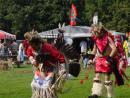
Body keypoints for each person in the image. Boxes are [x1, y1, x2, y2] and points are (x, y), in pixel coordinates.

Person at [87, 24, 118, 98]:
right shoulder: (96, 39)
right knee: (97, 77)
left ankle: (110, 96)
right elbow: (94, 50)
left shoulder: (108, 38)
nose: (94, 34)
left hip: (107, 60)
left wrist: (109, 59)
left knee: (107, 79)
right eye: (93, 32)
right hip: (98, 60)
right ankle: (95, 94)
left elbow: (114, 49)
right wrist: (91, 59)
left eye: (95, 32)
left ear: (101, 32)